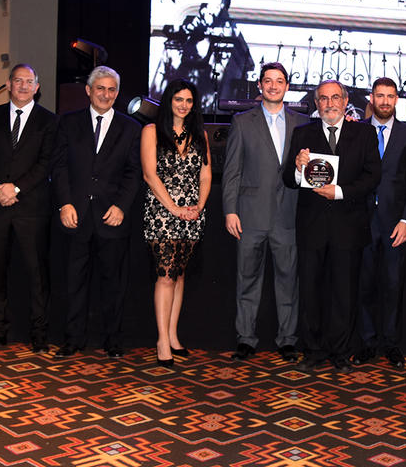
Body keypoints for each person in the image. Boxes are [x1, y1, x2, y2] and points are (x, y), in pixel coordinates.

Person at [283, 80, 381, 374]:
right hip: (311, 227)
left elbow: (373, 176)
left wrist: (340, 191)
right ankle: (313, 351)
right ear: (316, 103)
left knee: (344, 292)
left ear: (345, 99)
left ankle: (340, 351)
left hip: (348, 227)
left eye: (335, 97)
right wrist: (298, 167)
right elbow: (288, 180)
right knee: (311, 292)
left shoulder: (364, 133)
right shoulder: (303, 133)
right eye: (323, 99)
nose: (329, 103)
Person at [52, 66, 142, 358]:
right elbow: (60, 167)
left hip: (111, 216)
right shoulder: (67, 123)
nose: (106, 94)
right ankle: (73, 339)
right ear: (88, 91)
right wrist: (65, 203)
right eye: (100, 88)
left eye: (111, 89)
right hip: (74, 215)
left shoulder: (131, 128)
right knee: (74, 281)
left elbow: (133, 172)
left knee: (113, 284)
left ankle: (112, 341)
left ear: (117, 93)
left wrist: (121, 206)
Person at [222, 62, 308, 363]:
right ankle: (246, 338)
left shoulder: (304, 122)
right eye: (268, 81)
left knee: (288, 281)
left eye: (279, 81)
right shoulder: (242, 122)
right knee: (247, 279)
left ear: (287, 86)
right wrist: (230, 211)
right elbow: (232, 171)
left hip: (289, 215)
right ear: (259, 85)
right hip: (249, 215)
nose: (273, 86)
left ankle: (287, 340)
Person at [0, 64, 58, 354]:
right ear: (8, 84)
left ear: (37, 86)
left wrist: (16, 188)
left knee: (36, 272)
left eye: (29, 81)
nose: (23, 86)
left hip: (31, 207)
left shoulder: (49, 120)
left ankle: (39, 332)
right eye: (18, 80)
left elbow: (46, 163)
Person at [352, 77, 406, 369]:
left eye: (390, 96)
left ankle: (391, 344)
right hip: (361, 221)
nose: (384, 101)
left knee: (393, 285)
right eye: (379, 96)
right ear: (371, 97)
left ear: (397, 100)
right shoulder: (356, 132)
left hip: (396, 223)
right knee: (364, 285)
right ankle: (368, 343)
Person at [142, 79, 212, 367]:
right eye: (178, 99)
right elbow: (149, 175)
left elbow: (205, 176)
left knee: (179, 275)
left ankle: (172, 335)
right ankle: (161, 340)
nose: (183, 105)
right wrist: (174, 208)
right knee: (166, 275)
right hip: (162, 212)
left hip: (193, 214)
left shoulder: (200, 134)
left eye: (189, 101)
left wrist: (198, 207)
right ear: (169, 100)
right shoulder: (151, 131)